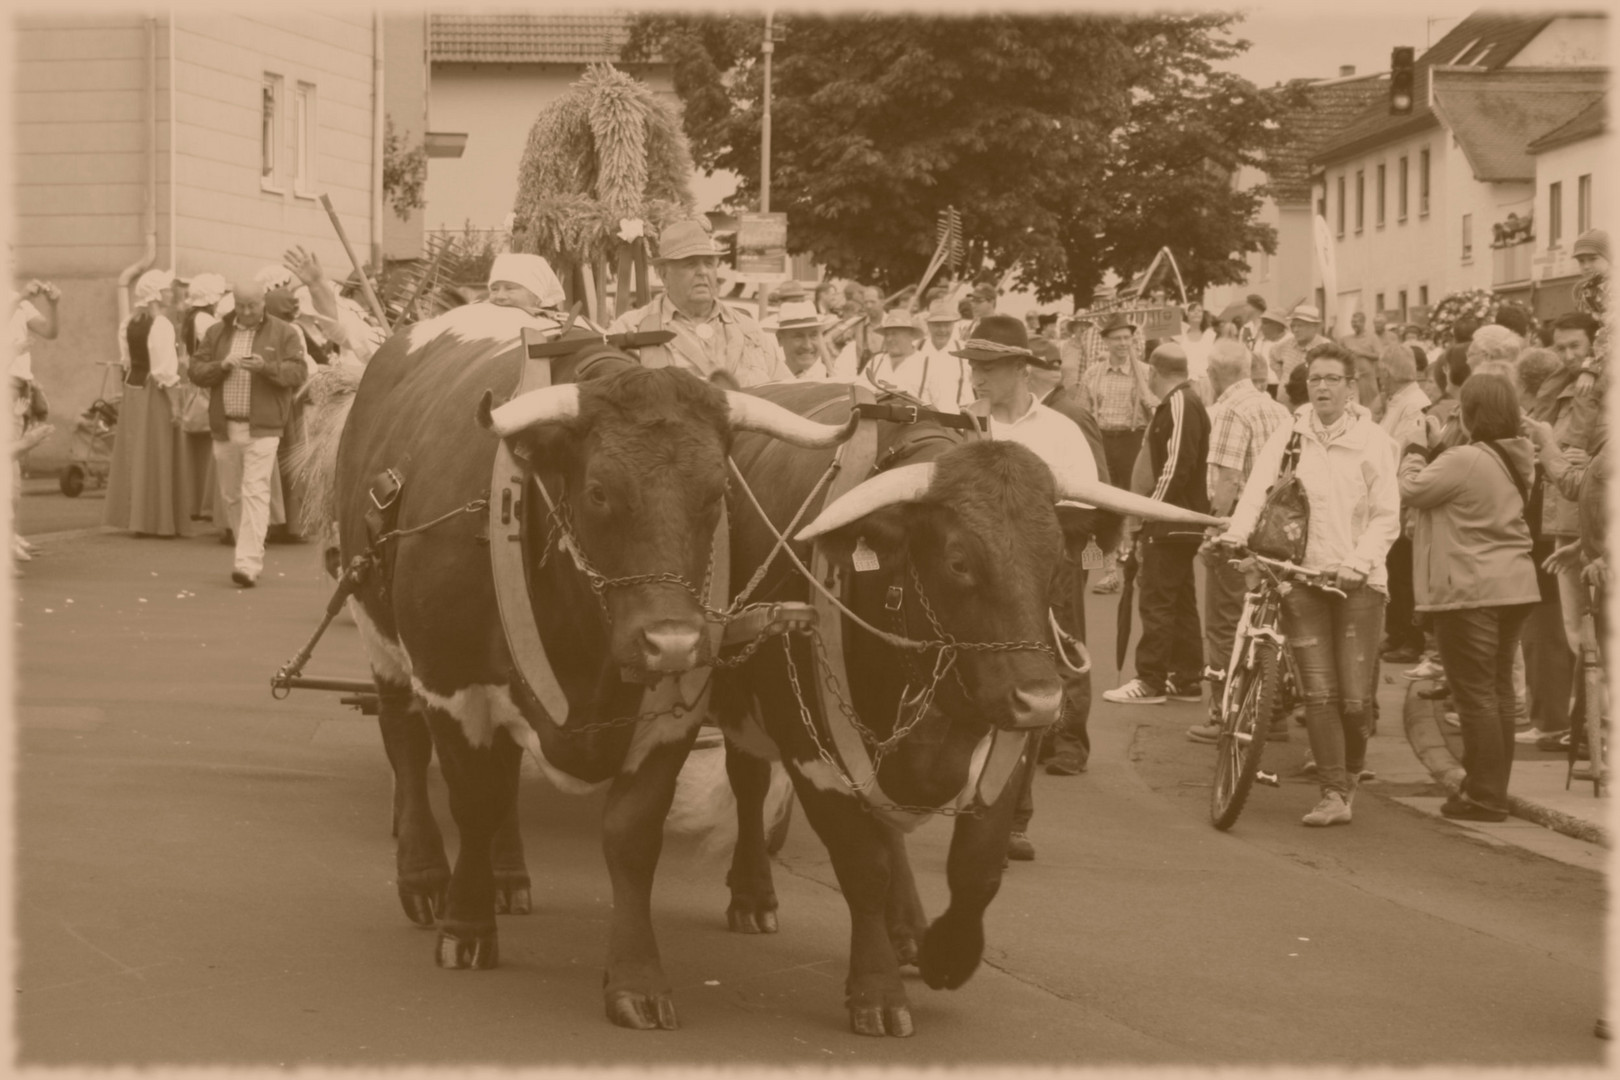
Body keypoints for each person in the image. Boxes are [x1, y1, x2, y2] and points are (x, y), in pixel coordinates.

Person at [1217, 342, 1400, 826]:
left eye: (1333, 379)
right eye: (1315, 379)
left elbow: (1387, 518)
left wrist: (1358, 564)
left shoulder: (1373, 441)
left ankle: (1351, 773)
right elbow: (1257, 491)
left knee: (1355, 700)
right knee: (1319, 692)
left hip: (1359, 583)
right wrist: (1237, 537)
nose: (1322, 387)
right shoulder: (1290, 434)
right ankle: (1333, 793)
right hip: (1301, 576)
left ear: (1350, 387)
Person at [957, 314, 1101, 859]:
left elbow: (1085, 508)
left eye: (988, 366)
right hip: (970, 582)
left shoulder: (1060, 431)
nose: (977, 378)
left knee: (1032, 685)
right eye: (973, 365)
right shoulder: (960, 425)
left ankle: (1012, 816)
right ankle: (965, 796)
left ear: (1021, 368)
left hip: (1038, 579)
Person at [1399, 375, 1540, 821]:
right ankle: (1488, 789)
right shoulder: (1518, 456)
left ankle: (1484, 796)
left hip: (1469, 589)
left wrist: (1416, 451)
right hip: (1513, 584)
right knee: (1497, 691)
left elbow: (1413, 488)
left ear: (1473, 412)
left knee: (1475, 695)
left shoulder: (1465, 459)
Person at [1186, 339, 1293, 740]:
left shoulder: (1230, 410)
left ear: (1213, 375)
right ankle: (1272, 712)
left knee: (1226, 622)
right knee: (1269, 624)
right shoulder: (1276, 407)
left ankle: (1224, 713)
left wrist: (1214, 531)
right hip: (1277, 532)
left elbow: (1228, 479)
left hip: (1240, 533)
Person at [1104, 343, 1211, 705]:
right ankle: (1186, 677)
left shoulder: (1180, 402)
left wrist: (1150, 512)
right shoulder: (1184, 401)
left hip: (1171, 518)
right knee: (1179, 601)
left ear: (1154, 371)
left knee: (1156, 600)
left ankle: (1149, 679)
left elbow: (1176, 465)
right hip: (1179, 517)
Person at [189, 277, 309, 587]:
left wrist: (265, 367)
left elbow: (299, 373)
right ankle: (247, 550)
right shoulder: (217, 332)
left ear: (263, 303)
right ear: (233, 303)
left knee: (255, 492)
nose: (246, 312)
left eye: (252, 305)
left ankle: (248, 563)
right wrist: (222, 366)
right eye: (240, 306)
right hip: (224, 426)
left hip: (265, 427)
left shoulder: (285, 333)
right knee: (232, 495)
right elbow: (196, 371)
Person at [610, 220, 787, 388]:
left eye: (709, 264)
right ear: (663, 274)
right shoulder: (630, 328)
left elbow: (787, 390)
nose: (702, 272)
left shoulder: (748, 329)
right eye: (690, 264)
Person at [104, 268, 192, 538]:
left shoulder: (130, 322)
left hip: (135, 391)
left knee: (138, 451)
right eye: (165, 289)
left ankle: (139, 518)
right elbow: (164, 369)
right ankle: (158, 519)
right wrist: (176, 405)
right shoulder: (161, 324)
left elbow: (128, 360)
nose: (170, 293)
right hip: (155, 392)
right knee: (158, 452)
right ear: (155, 293)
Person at [1078, 313, 1155, 594]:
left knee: (1137, 505)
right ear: (1106, 342)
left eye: (1128, 338)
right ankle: (1110, 572)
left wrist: (1150, 401)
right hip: (1102, 441)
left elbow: (1158, 413)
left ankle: (1141, 567)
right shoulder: (1092, 374)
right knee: (1106, 506)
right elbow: (1083, 415)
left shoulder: (1146, 373)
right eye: (1118, 338)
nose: (1124, 343)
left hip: (1135, 441)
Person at [1377, 341, 1432, 665]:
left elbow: (1408, 451)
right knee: (1394, 571)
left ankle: (1411, 638)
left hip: (1402, 498)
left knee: (1403, 573)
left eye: (1381, 372)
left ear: (1388, 371)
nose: (1378, 378)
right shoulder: (1399, 400)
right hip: (1392, 496)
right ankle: (1397, 631)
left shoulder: (1413, 404)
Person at [9, 277, 60, 563]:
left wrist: (54, 305)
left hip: (21, 384)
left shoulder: (20, 302)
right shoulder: (14, 301)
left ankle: (10, 534)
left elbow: (50, 331)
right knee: (10, 465)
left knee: (14, 464)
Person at [175, 272, 228, 525]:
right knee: (209, 450)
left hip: (194, 386)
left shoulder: (189, 319)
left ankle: (193, 502)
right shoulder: (206, 320)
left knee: (196, 450)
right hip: (207, 386)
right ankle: (205, 505)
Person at [860, 309, 963, 411]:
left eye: (894, 333)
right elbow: (858, 395)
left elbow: (947, 406)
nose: (889, 339)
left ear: (910, 336)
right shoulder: (876, 362)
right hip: (878, 424)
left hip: (917, 424)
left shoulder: (930, 364)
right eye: (887, 334)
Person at [760, 300, 837, 379]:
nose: (808, 346)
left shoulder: (833, 381)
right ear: (779, 339)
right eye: (798, 337)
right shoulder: (768, 381)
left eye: (813, 335)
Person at [919, 299, 971, 406]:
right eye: (937, 325)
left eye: (947, 325)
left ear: (953, 325)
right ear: (928, 325)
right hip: (923, 417)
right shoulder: (917, 347)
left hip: (958, 417)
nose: (942, 330)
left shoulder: (964, 350)